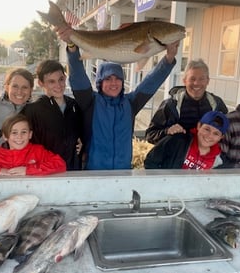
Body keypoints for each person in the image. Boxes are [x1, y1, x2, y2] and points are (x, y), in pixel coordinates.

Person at [57, 26, 180, 170]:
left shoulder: (131, 103)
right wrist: (72, 47)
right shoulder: (90, 102)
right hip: (93, 173)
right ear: (100, 83)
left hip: (123, 173)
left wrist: (169, 57)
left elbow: (151, 82)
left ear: (123, 82)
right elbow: (78, 77)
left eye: (118, 78)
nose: (113, 83)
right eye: (108, 79)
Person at [145, 59, 228, 144]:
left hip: (207, 155)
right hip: (177, 155)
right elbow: (150, 135)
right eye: (192, 79)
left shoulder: (217, 104)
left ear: (208, 81)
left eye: (201, 79)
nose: (196, 83)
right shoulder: (170, 105)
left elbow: (226, 134)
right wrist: (167, 131)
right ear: (184, 81)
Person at [0, 113, 66, 176]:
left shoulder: (38, 151)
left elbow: (61, 164)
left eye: (24, 132)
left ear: (30, 134)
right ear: (5, 136)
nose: (19, 137)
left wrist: (28, 170)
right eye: (14, 133)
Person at [22, 60, 83, 170]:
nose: (58, 85)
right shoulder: (33, 110)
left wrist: (81, 142)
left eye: (61, 79)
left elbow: (79, 134)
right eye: (51, 81)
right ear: (41, 83)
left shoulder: (74, 105)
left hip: (71, 170)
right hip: (46, 173)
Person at [144, 111, 229, 169]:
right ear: (199, 126)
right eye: (207, 129)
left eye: (216, 133)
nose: (209, 136)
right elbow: (150, 161)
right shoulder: (177, 141)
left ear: (221, 137)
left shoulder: (219, 161)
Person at [0, 68, 34, 148]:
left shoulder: (34, 110)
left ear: (31, 90)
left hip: (22, 159)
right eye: (15, 86)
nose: (19, 91)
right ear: (7, 87)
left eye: (25, 87)